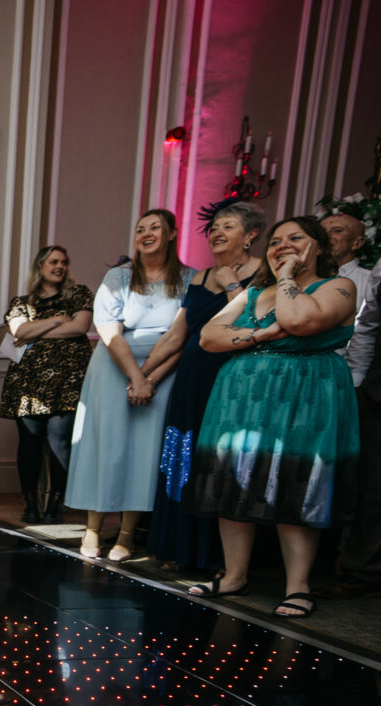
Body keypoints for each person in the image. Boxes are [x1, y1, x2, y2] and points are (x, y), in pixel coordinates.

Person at [189, 215, 359, 617]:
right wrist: (259, 335)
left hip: (305, 396)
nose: (282, 245)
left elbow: (300, 320)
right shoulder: (253, 292)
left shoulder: (338, 286)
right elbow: (209, 336)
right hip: (242, 400)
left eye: (295, 238)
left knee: (296, 483)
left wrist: (286, 276)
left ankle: (298, 587)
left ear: (318, 246)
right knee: (234, 479)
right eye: (276, 240)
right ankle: (234, 576)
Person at [66, 209, 197, 560]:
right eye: (141, 229)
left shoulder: (191, 278)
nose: (146, 234)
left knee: (144, 449)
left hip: (163, 369)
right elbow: (109, 331)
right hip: (114, 364)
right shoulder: (118, 276)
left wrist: (150, 378)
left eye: (155, 228)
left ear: (172, 233)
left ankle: (126, 534)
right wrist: (137, 378)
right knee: (105, 445)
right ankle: (93, 528)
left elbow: (182, 337)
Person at [141, 201, 265, 571]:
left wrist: (230, 284)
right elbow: (175, 336)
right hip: (191, 381)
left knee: (222, 462)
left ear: (251, 235)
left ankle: (219, 557)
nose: (217, 233)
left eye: (228, 226)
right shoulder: (198, 277)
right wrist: (142, 374)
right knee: (182, 461)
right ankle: (181, 549)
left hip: (234, 380)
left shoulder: (264, 274)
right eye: (215, 227)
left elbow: (252, 320)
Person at [0, 246, 95, 523]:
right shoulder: (21, 302)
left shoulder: (79, 294)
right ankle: (30, 502)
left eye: (64, 262)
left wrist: (36, 330)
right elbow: (19, 330)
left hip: (68, 379)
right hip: (27, 381)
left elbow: (80, 327)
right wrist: (56, 320)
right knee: (29, 443)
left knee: (60, 441)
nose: (59, 266)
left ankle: (55, 503)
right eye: (53, 261)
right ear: (40, 266)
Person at [322, 261, 381, 598]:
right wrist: (357, 383)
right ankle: (363, 571)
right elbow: (368, 323)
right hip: (377, 390)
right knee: (373, 488)